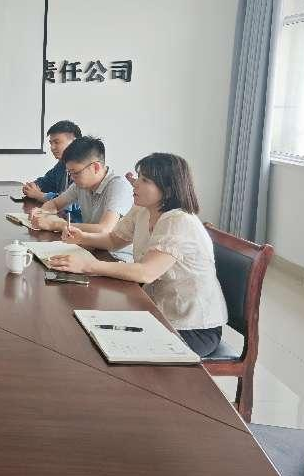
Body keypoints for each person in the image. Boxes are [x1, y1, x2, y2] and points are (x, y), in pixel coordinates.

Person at [48, 153, 228, 357]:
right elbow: (113, 240)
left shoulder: (179, 221)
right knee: (84, 328)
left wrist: (87, 265)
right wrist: (82, 237)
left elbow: (146, 273)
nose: (135, 183)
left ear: (168, 189)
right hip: (154, 309)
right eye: (138, 177)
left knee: (101, 347)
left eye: (145, 180)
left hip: (191, 327)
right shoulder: (142, 209)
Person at [29, 136, 133, 261]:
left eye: (75, 172)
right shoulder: (80, 184)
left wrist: (56, 224)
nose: (72, 178)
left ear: (95, 167)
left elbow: (104, 229)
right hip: (91, 248)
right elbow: (55, 204)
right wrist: (41, 213)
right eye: (69, 173)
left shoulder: (118, 186)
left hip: (115, 258)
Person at [22, 120, 81, 203]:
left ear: (74, 142)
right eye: (51, 143)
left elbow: (73, 203)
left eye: (57, 142)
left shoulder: (84, 168)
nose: (52, 147)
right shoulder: (62, 164)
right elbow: (46, 182)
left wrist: (39, 195)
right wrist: (31, 187)